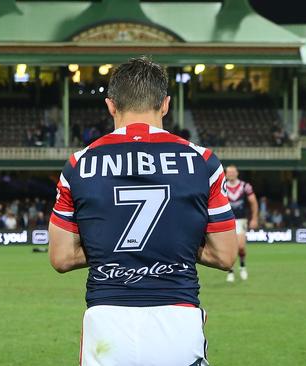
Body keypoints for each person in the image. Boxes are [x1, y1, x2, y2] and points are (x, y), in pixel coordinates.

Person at [48, 57, 237, 366]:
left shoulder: (78, 164)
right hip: (178, 316)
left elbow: (61, 258)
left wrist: (110, 248)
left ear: (110, 105)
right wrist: (169, 245)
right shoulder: (204, 162)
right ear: (165, 104)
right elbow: (225, 256)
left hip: (107, 320)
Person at [224, 165, 258, 282]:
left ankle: (242, 266)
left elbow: (253, 202)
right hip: (226, 220)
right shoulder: (221, 186)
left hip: (241, 219)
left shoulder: (245, 186)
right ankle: (230, 271)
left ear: (237, 173)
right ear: (226, 174)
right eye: (229, 172)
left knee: (241, 247)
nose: (231, 174)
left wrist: (254, 218)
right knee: (229, 248)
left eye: (233, 172)